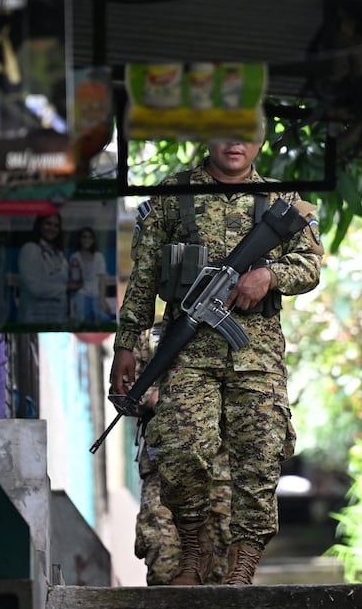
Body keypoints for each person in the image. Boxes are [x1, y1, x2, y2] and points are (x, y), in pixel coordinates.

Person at [110, 134, 324, 586]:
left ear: (261, 138)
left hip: (257, 351)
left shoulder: (281, 198)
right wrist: (127, 345)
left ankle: (243, 565)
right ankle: (193, 549)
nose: (235, 144)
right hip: (187, 352)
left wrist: (268, 275)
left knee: (260, 457)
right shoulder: (173, 195)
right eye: (226, 133)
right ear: (207, 136)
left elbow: (310, 266)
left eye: (247, 133)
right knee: (181, 450)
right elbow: (144, 276)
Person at [130, 329, 232, 585]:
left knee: (216, 569)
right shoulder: (150, 336)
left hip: (220, 471)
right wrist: (157, 397)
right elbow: (125, 389)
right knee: (162, 556)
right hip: (163, 468)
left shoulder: (234, 329)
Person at [17, 212, 79, 324]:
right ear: (39, 225)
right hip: (35, 319)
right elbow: (35, 288)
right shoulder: (30, 249)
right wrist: (66, 287)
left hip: (58, 318)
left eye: (56, 225)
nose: (52, 228)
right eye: (48, 224)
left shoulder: (58, 253)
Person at [68, 226, 111, 324]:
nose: (87, 239)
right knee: (81, 319)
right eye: (84, 237)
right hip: (81, 293)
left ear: (93, 240)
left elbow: (102, 279)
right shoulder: (75, 257)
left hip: (96, 294)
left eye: (89, 237)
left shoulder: (99, 257)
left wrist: (102, 299)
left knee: (99, 318)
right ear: (80, 239)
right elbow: (72, 280)